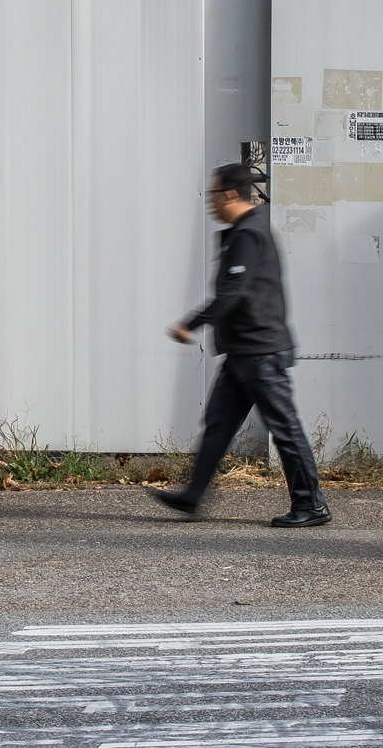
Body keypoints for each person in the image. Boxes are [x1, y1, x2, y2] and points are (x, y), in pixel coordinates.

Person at [151, 163, 330, 527]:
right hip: (244, 352)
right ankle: (192, 495)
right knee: (218, 424)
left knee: (285, 428)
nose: (209, 202)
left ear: (230, 194)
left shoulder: (248, 234)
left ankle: (311, 505)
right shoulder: (244, 231)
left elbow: (234, 291)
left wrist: (191, 324)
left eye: (213, 193)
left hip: (260, 351)